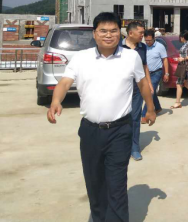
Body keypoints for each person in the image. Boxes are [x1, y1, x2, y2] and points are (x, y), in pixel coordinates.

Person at [47, 12, 156, 222]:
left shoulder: (131, 57)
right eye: (103, 31)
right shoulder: (81, 58)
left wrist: (150, 108)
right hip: (90, 131)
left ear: (120, 33)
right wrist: (56, 101)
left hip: (120, 131)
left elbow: (142, 83)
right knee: (94, 183)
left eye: (113, 30)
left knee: (116, 185)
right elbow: (65, 82)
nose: (108, 35)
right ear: (94, 33)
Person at [120, 21, 152, 161]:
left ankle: (134, 148)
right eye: (141, 33)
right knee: (120, 118)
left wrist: (149, 84)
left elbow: (144, 66)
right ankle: (121, 146)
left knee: (135, 117)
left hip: (137, 88)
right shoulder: (118, 47)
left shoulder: (142, 47)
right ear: (130, 33)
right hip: (121, 88)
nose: (143, 35)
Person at [142, 29, 167, 123]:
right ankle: (158, 107)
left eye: (149, 40)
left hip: (157, 72)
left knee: (149, 92)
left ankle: (144, 115)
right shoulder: (143, 46)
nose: (148, 42)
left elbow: (165, 60)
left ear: (154, 38)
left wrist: (167, 73)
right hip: (146, 73)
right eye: (146, 40)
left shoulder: (160, 47)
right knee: (152, 91)